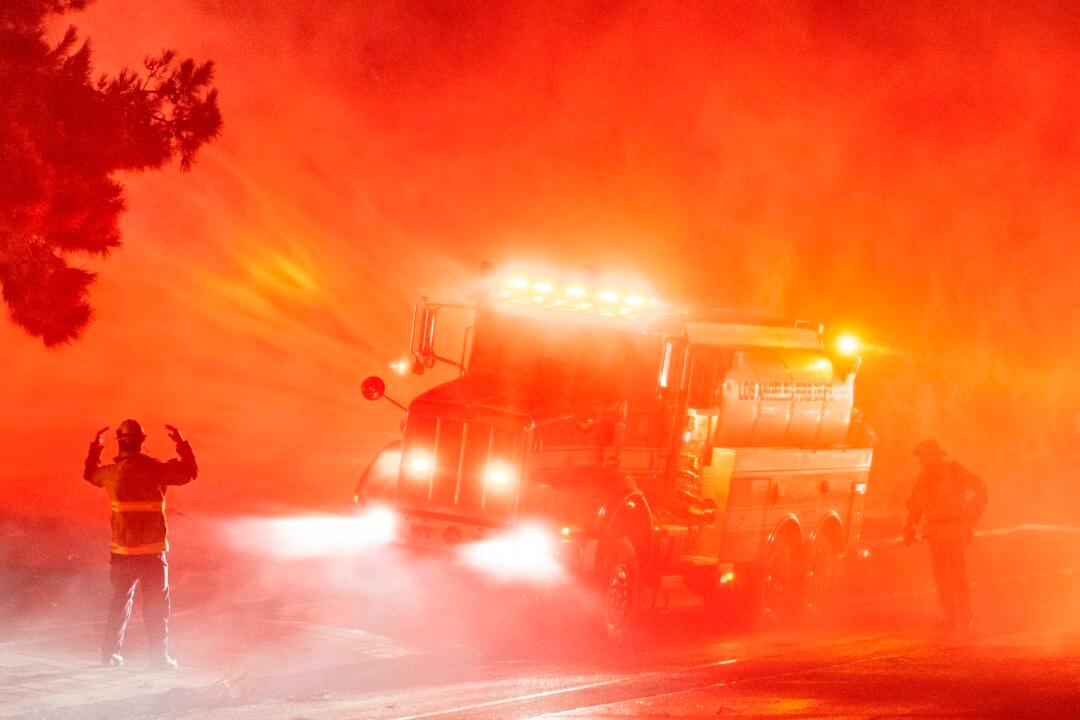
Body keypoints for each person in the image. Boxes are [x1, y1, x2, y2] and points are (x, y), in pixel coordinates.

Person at [83, 419, 198, 669]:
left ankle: (109, 655)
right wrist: (180, 443)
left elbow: (90, 474)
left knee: (119, 602)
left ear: (120, 443)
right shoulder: (156, 469)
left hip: (122, 552)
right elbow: (190, 473)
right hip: (152, 553)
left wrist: (96, 447)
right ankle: (158, 659)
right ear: (142, 441)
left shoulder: (111, 473)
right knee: (157, 607)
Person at [903, 440, 987, 631]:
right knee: (941, 576)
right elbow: (915, 507)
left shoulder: (955, 472)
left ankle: (965, 616)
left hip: (954, 529)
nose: (921, 461)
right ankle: (950, 617)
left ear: (936, 456)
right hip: (935, 532)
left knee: (957, 574)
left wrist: (973, 515)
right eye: (921, 457)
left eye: (925, 456)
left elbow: (981, 489)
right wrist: (909, 528)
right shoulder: (922, 479)